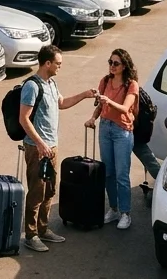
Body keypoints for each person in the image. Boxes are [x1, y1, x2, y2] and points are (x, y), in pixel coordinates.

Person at [19, 46, 100, 252]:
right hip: (37, 148)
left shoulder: (51, 83)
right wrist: (40, 143)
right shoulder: (32, 86)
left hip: (51, 147)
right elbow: (23, 119)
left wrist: (85, 94)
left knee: (50, 190)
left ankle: (43, 229)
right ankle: (31, 235)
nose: (60, 67)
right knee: (37, 191)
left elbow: (61, 103)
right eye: (58, 63)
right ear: (47, 63)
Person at [85, 49, 139, 231]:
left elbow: (125, 108)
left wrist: (108, 101)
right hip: (105, 127)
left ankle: (125, 213)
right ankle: (114, 209)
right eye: (110, 62)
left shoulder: (131, 85)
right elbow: (100, 105)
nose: (112, 66)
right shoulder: (105, 81)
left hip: (122, 130)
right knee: (108, 172)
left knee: (122, 174)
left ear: (124, 66)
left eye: (116, 63)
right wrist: (93, 118)